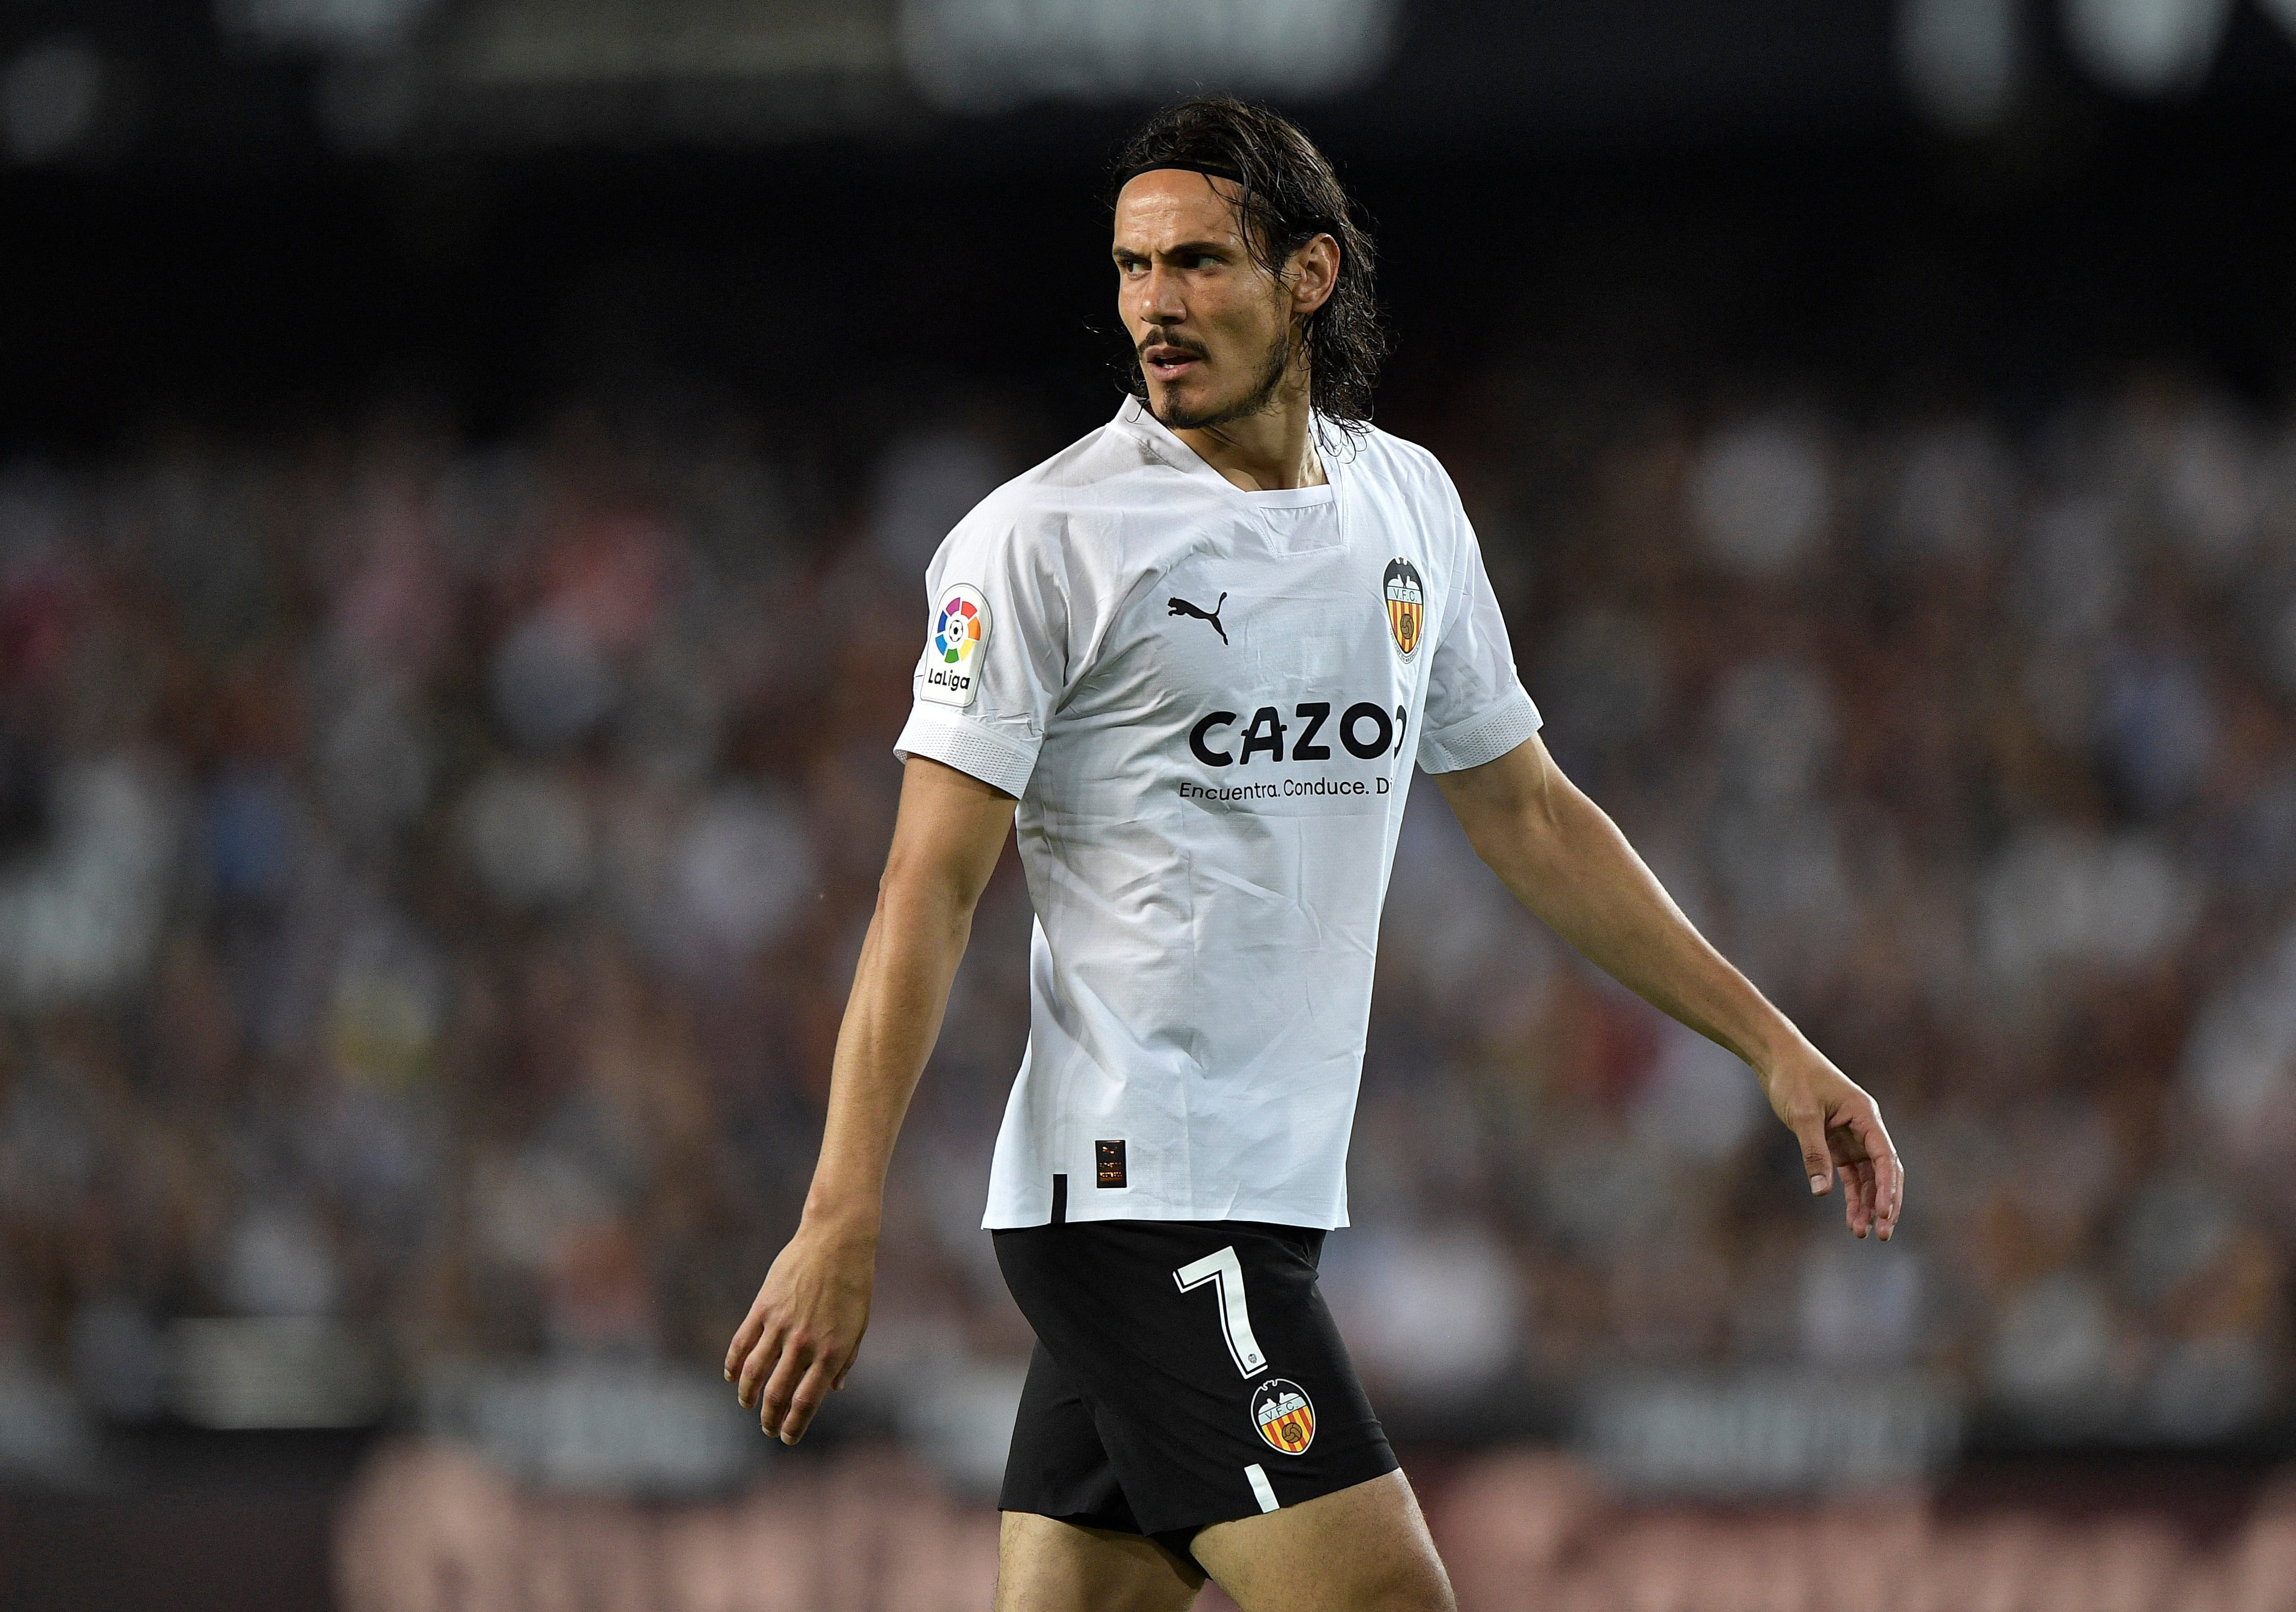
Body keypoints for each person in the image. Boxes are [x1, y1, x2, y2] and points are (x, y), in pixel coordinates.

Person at [725, 94, 1903, 1612]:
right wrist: (840, 1209)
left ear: (1310, 274)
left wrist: (1772, 1042)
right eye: (1134, 267)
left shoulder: (1405, 501)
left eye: (1199, 262)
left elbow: (1529, 811)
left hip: (1265, 1191)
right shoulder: (1044, 540)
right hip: (1146, 1194)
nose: (1155, 305)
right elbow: (925, 886)